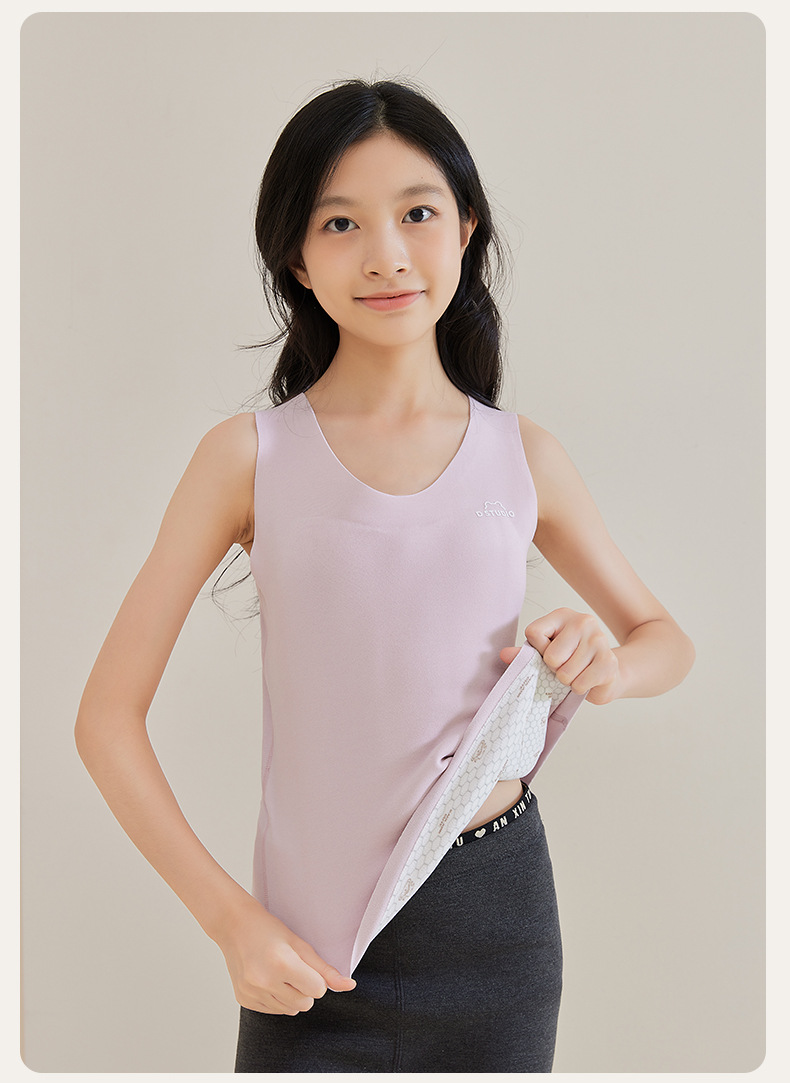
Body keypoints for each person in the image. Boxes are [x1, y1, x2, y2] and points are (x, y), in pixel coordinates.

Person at [75, 78, 695, 1073]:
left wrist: (608, 663)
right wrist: (231, 922)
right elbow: (105, 719)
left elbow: (664, 640)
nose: (386, 254)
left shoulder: (523, 455)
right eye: (340, 223)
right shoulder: (246, 458)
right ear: (296, 257)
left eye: (417, 213)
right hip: (311, 948)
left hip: (498, 928)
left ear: (466, 228)